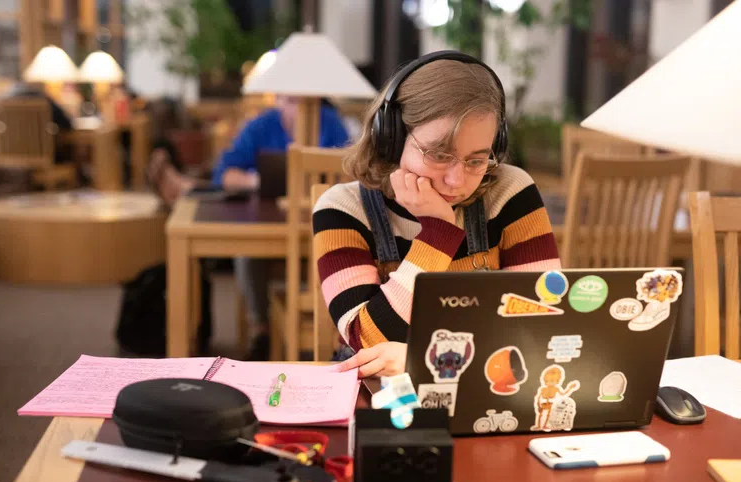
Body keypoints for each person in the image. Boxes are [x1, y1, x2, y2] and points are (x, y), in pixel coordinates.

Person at [313, 51, 561, 379]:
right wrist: (438, 232)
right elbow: (368, 340)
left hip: (489, 385)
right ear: (391, 138)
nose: (457, 180)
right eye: (439, 154)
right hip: (384, 398)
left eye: (476, 160)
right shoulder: (342, 210)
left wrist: (420, 359)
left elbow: (543, 324)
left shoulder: (510, 193)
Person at [149, 95, 350, 360]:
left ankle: (185, 185)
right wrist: (258, 180)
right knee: (246, 254)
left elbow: (354, 171)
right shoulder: (260, 126)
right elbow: (225, 173)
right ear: (278, 100)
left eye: (306, 100)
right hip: (274, 221)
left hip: (322, 228)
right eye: (290, 100)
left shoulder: (332, 124)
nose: (298, 107)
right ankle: (260, 328)